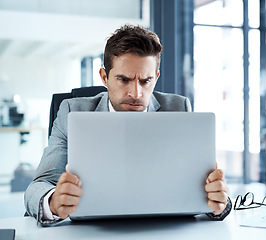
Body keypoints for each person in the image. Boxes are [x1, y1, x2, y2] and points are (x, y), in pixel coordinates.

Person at [24, 24, 231, 225]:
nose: (136, 93)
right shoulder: (72, 111)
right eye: (124, 80)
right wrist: (53, 202)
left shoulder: (179, 108)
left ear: (156, 78)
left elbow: (206, 187)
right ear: (105, 77)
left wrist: (219, 201)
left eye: (145, 81)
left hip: (165, 228)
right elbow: (39, 185)